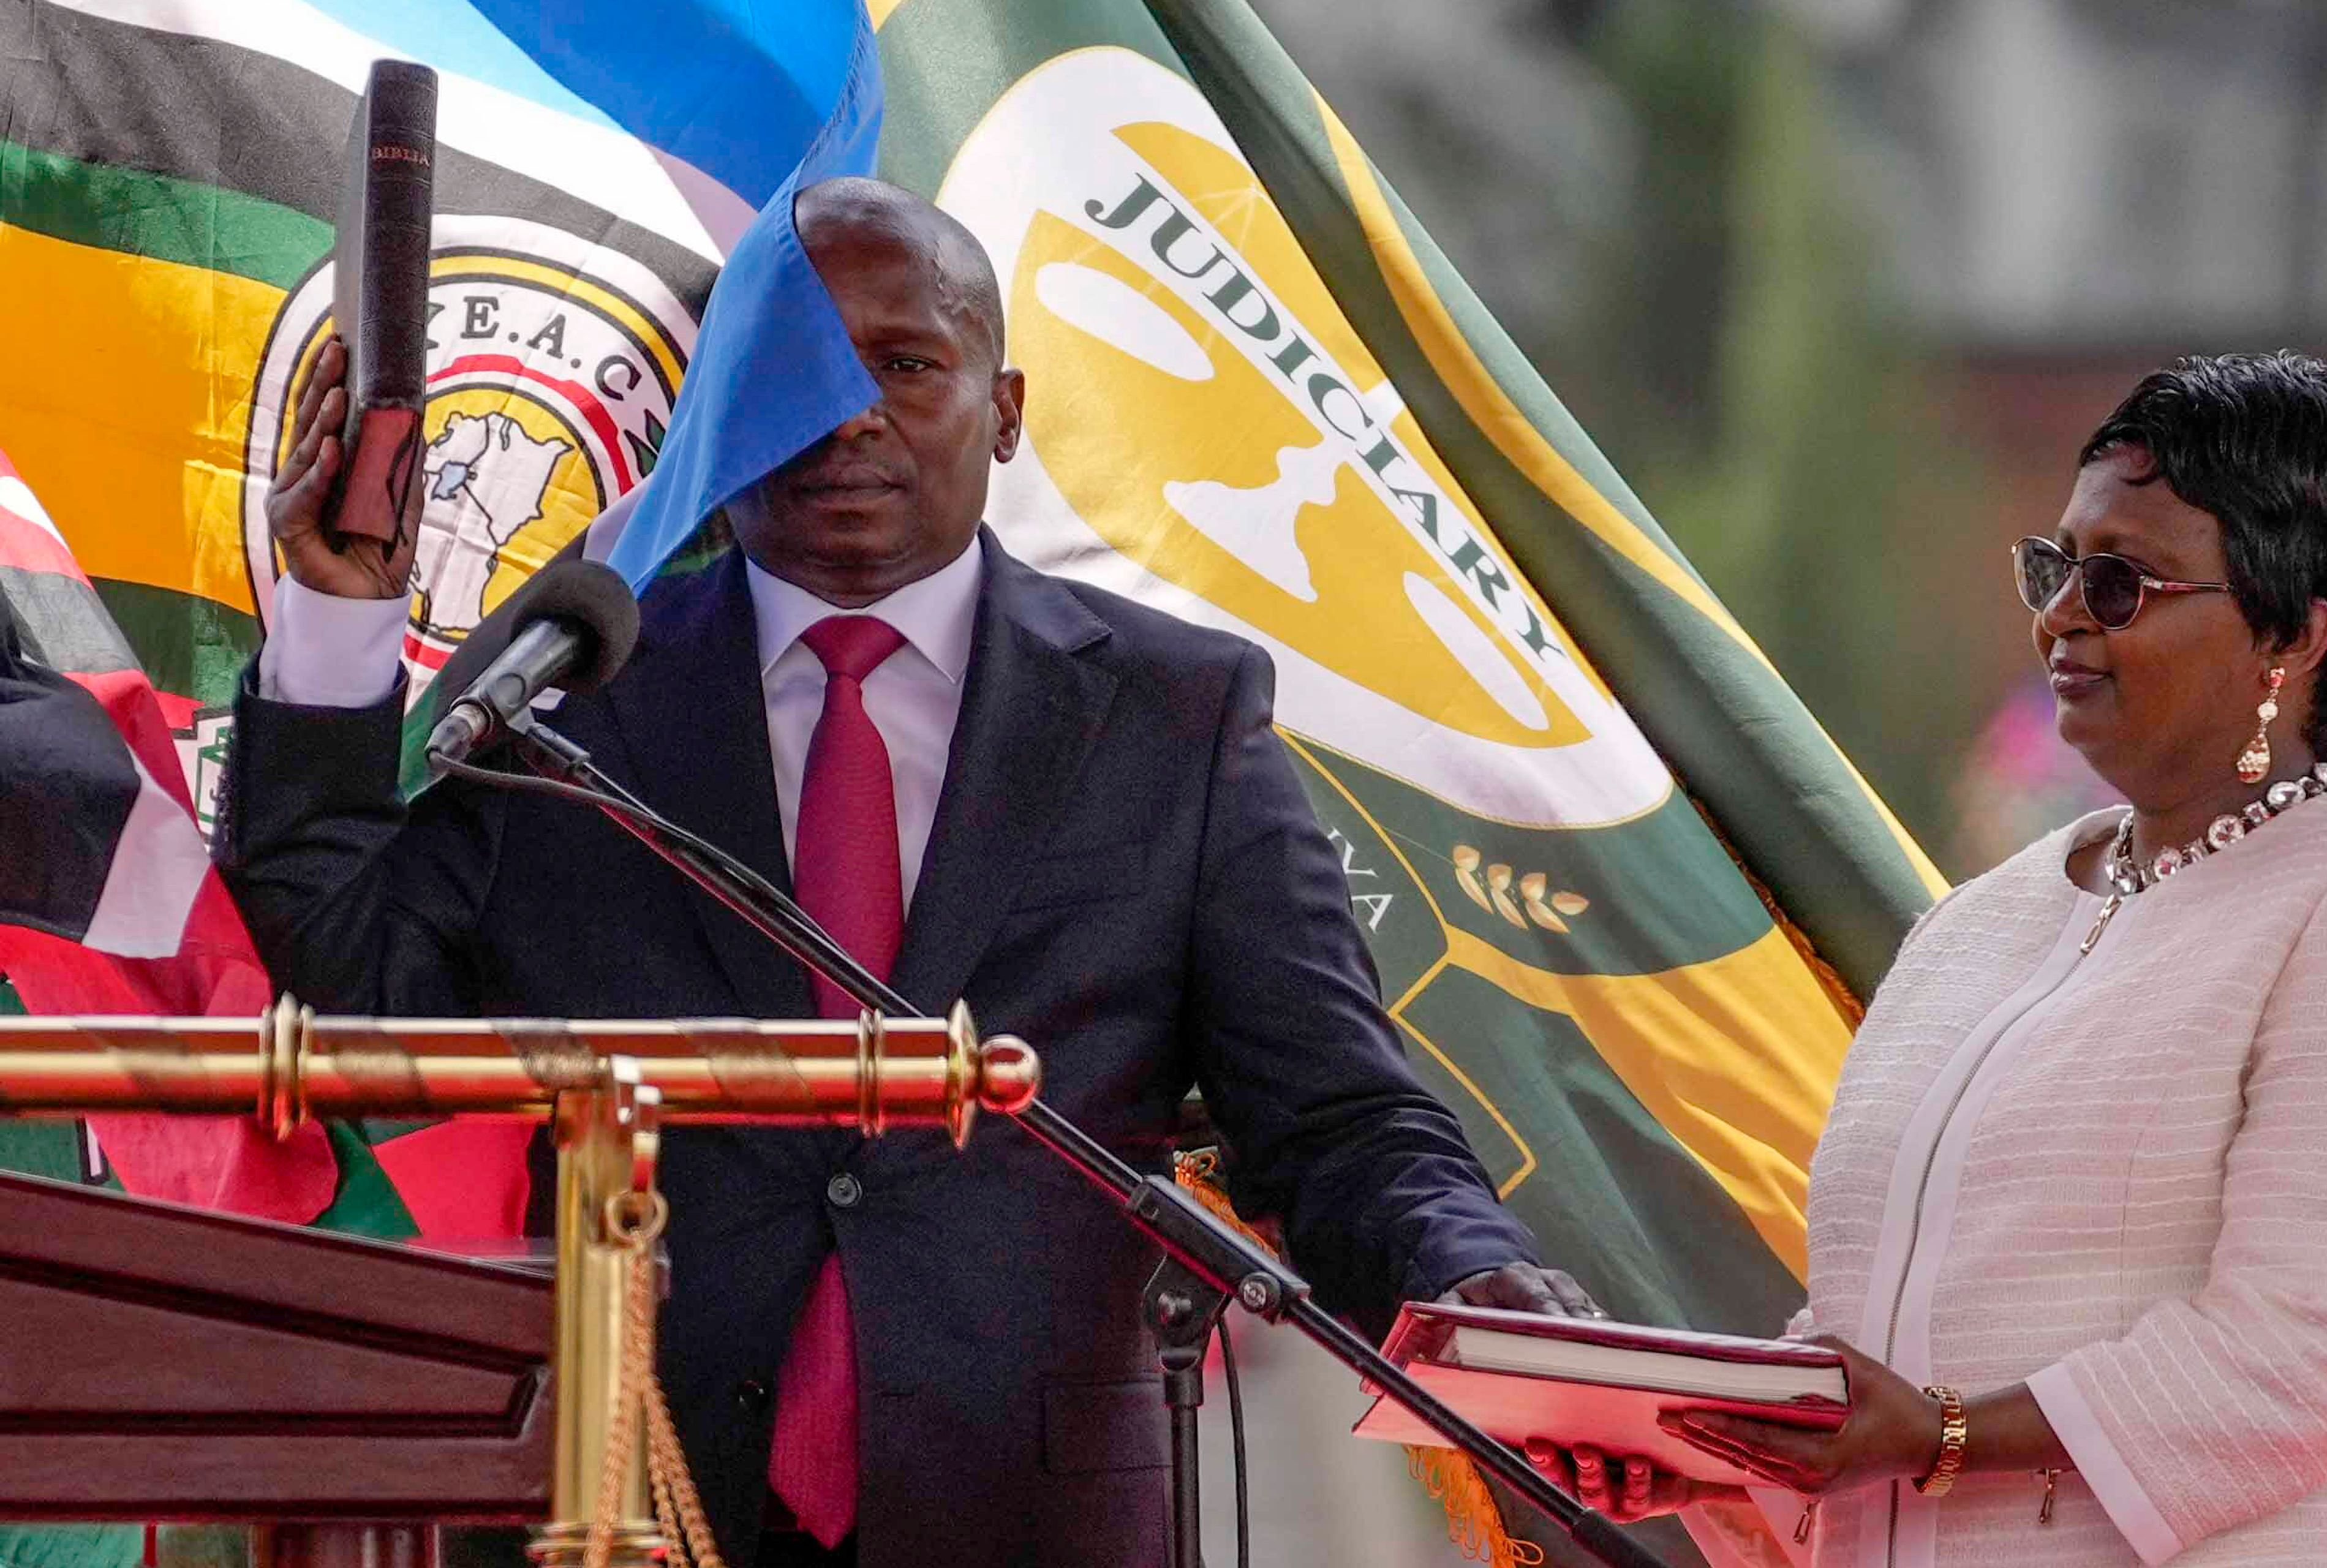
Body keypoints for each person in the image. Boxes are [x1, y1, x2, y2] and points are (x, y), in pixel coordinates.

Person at [215, 176, 1598, 1568]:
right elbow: (347, 981)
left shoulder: (1177, 719)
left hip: (1027, 1518)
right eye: (792, 372)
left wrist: (1470, 1272)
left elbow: (1338, 1113)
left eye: (906, 362)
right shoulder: (572, 693)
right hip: (618, 1506)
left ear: (1001, 410)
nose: (848, 412)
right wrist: (341, 616)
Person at [1544, 352, 2327, 1567]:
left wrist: (1943, 1432)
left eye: (2119, 582)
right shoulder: (1983, 920)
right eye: (2054, 565)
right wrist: (1714, 1451)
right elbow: (1887, 1336)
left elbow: (2304, 1352)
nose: (2060, 615)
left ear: (2288, 635)